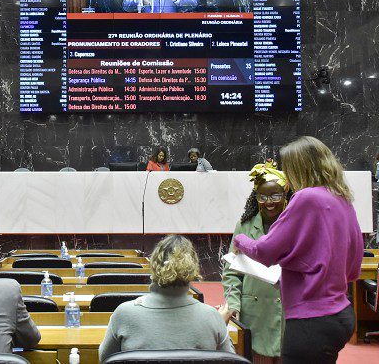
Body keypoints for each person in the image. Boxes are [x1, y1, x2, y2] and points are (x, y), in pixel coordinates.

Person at [232, 136, 363, 364]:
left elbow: (265, 251)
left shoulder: (306, 197)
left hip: (311, 321)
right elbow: (353, 268)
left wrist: (240, 240)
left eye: (287, 169)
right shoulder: (342, 198)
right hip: (341, 314)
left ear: (299, 167)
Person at [99, 235, 234, 362]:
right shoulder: (212, 317)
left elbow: (104, 358)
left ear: (154, 265)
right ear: (193, 269)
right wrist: (221, 326)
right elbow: (230, 360)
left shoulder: (124, 313)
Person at [222, 160, 287, 364]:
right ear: (255, 197)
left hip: (289, 311)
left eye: (276, 195)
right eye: (263, 196)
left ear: (286, 194)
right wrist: (233, 303)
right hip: (255, 314)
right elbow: (231, 271)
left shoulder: (295, 223)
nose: (269, 202)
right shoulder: (245, 225)